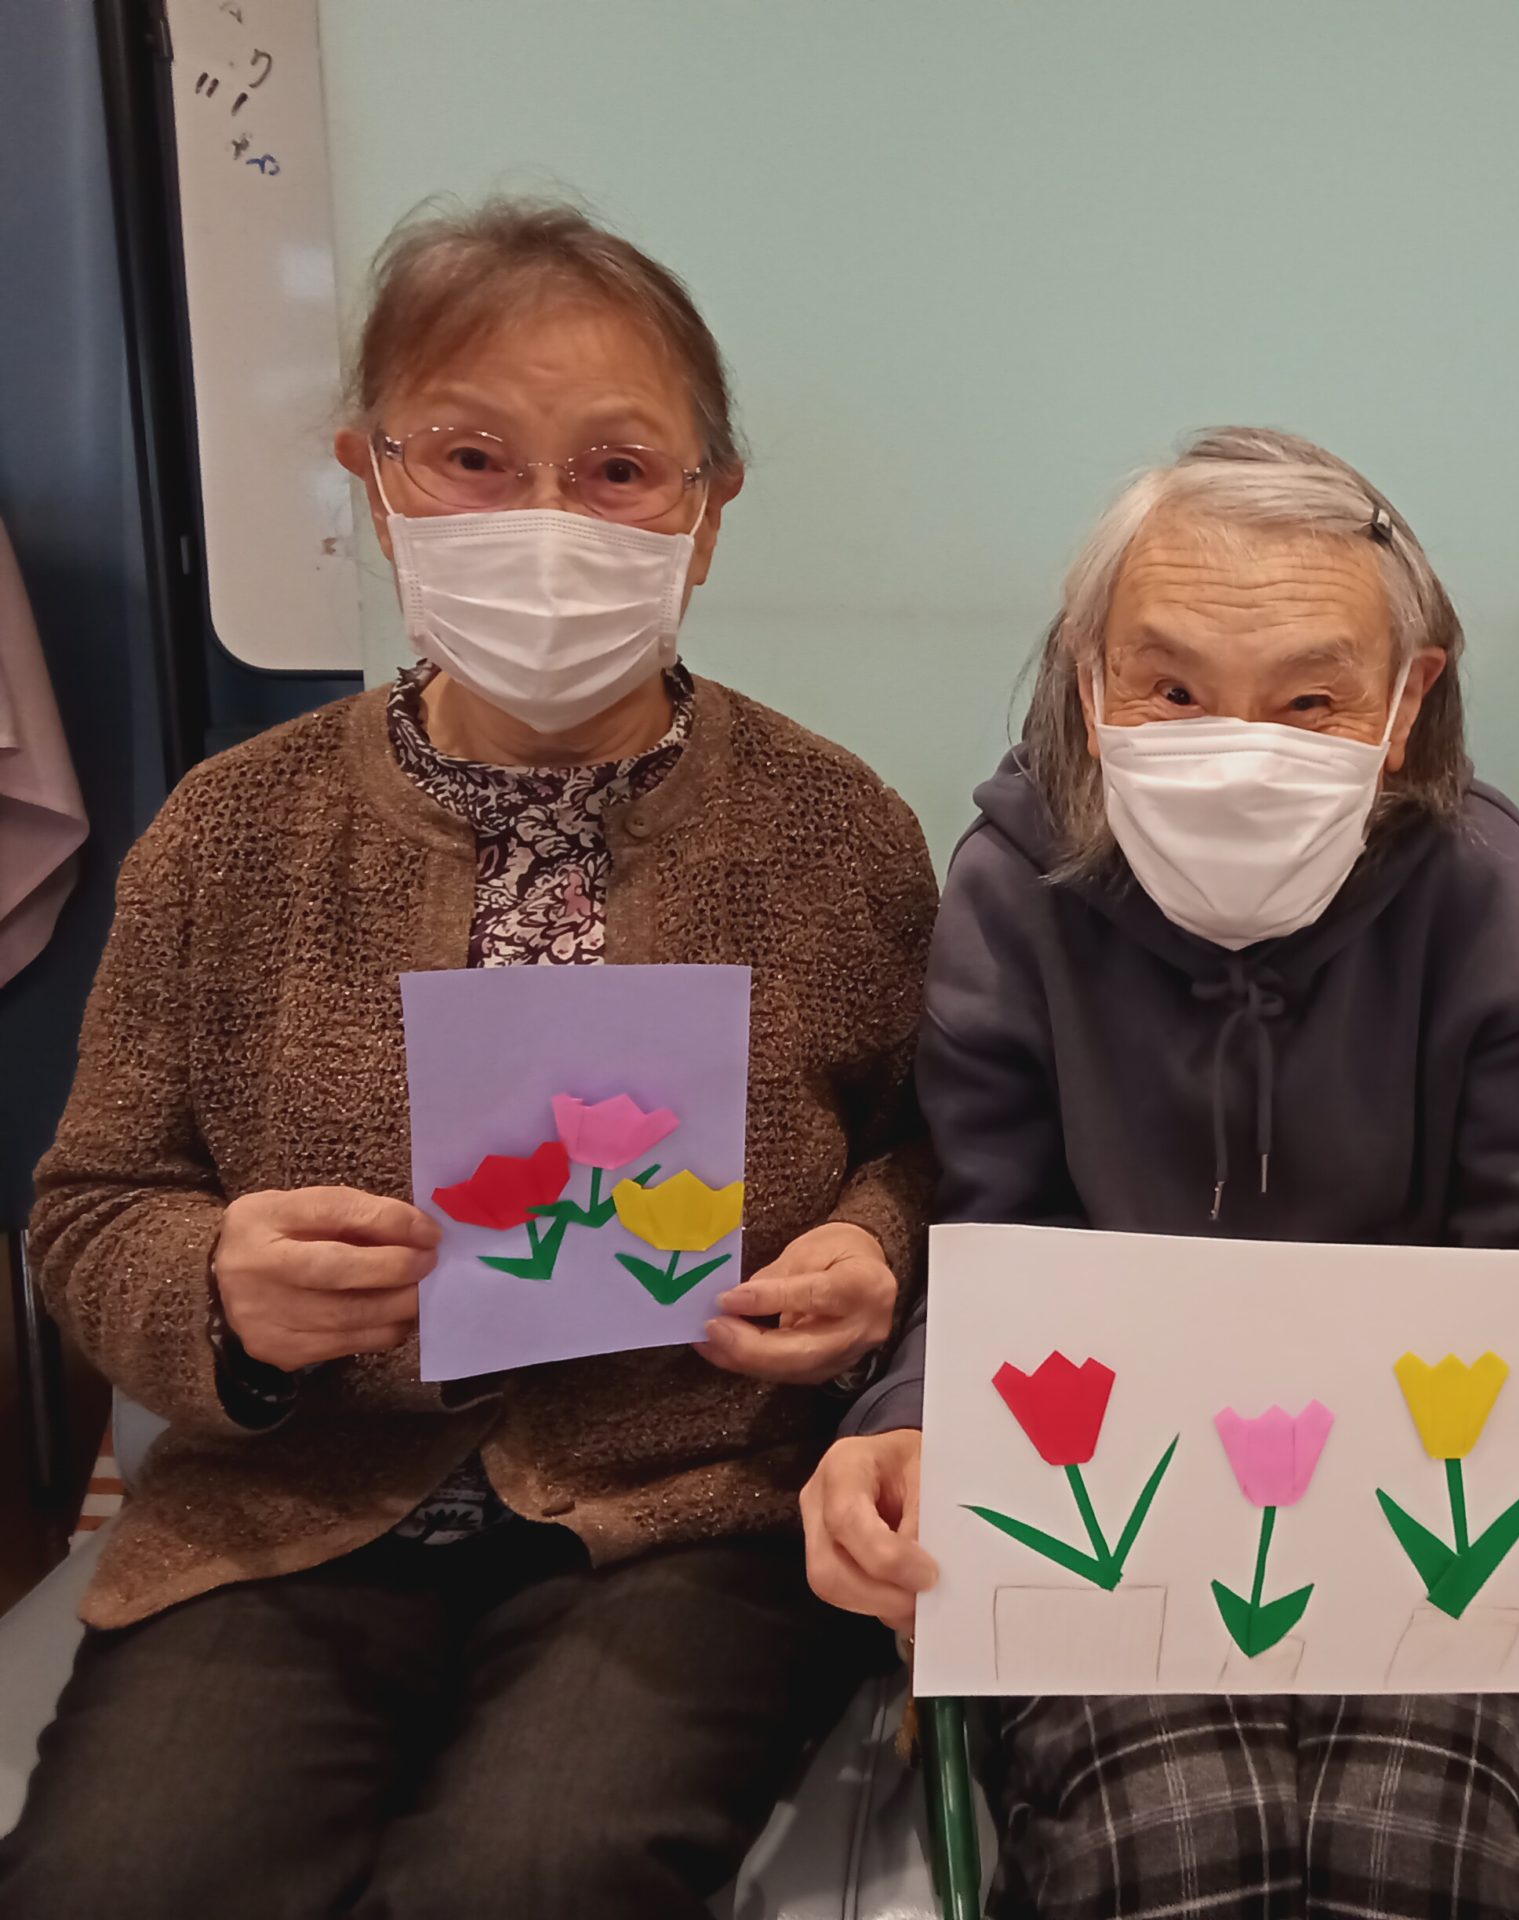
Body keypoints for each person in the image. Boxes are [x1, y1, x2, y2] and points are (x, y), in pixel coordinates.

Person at [0, 199, 938, 1918]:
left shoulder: (836, 832)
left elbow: (931, 1145)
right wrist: (219, 1293)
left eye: (618, 471)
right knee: (117, 1882)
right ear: (374, 480)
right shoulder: (231, 832)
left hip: (687, 1506)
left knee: (531, 1876)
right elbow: (91, 1202)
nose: (546, 522)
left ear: (707, 512)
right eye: (473, 459)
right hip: (294, 1508)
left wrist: (870, 1251)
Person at [803, 428, 1519, 1919]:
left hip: (1420, 1497)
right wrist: (902, 1422)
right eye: (1171, 688)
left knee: (1416, 1849)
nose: (1237, 746)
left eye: (1312, 699)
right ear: (1090, 681)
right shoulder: (1012, 894)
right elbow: (994, 1246)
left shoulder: (1486, 893)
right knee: (1169, 1844)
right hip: (1116, 1501)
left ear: (1408, 699)